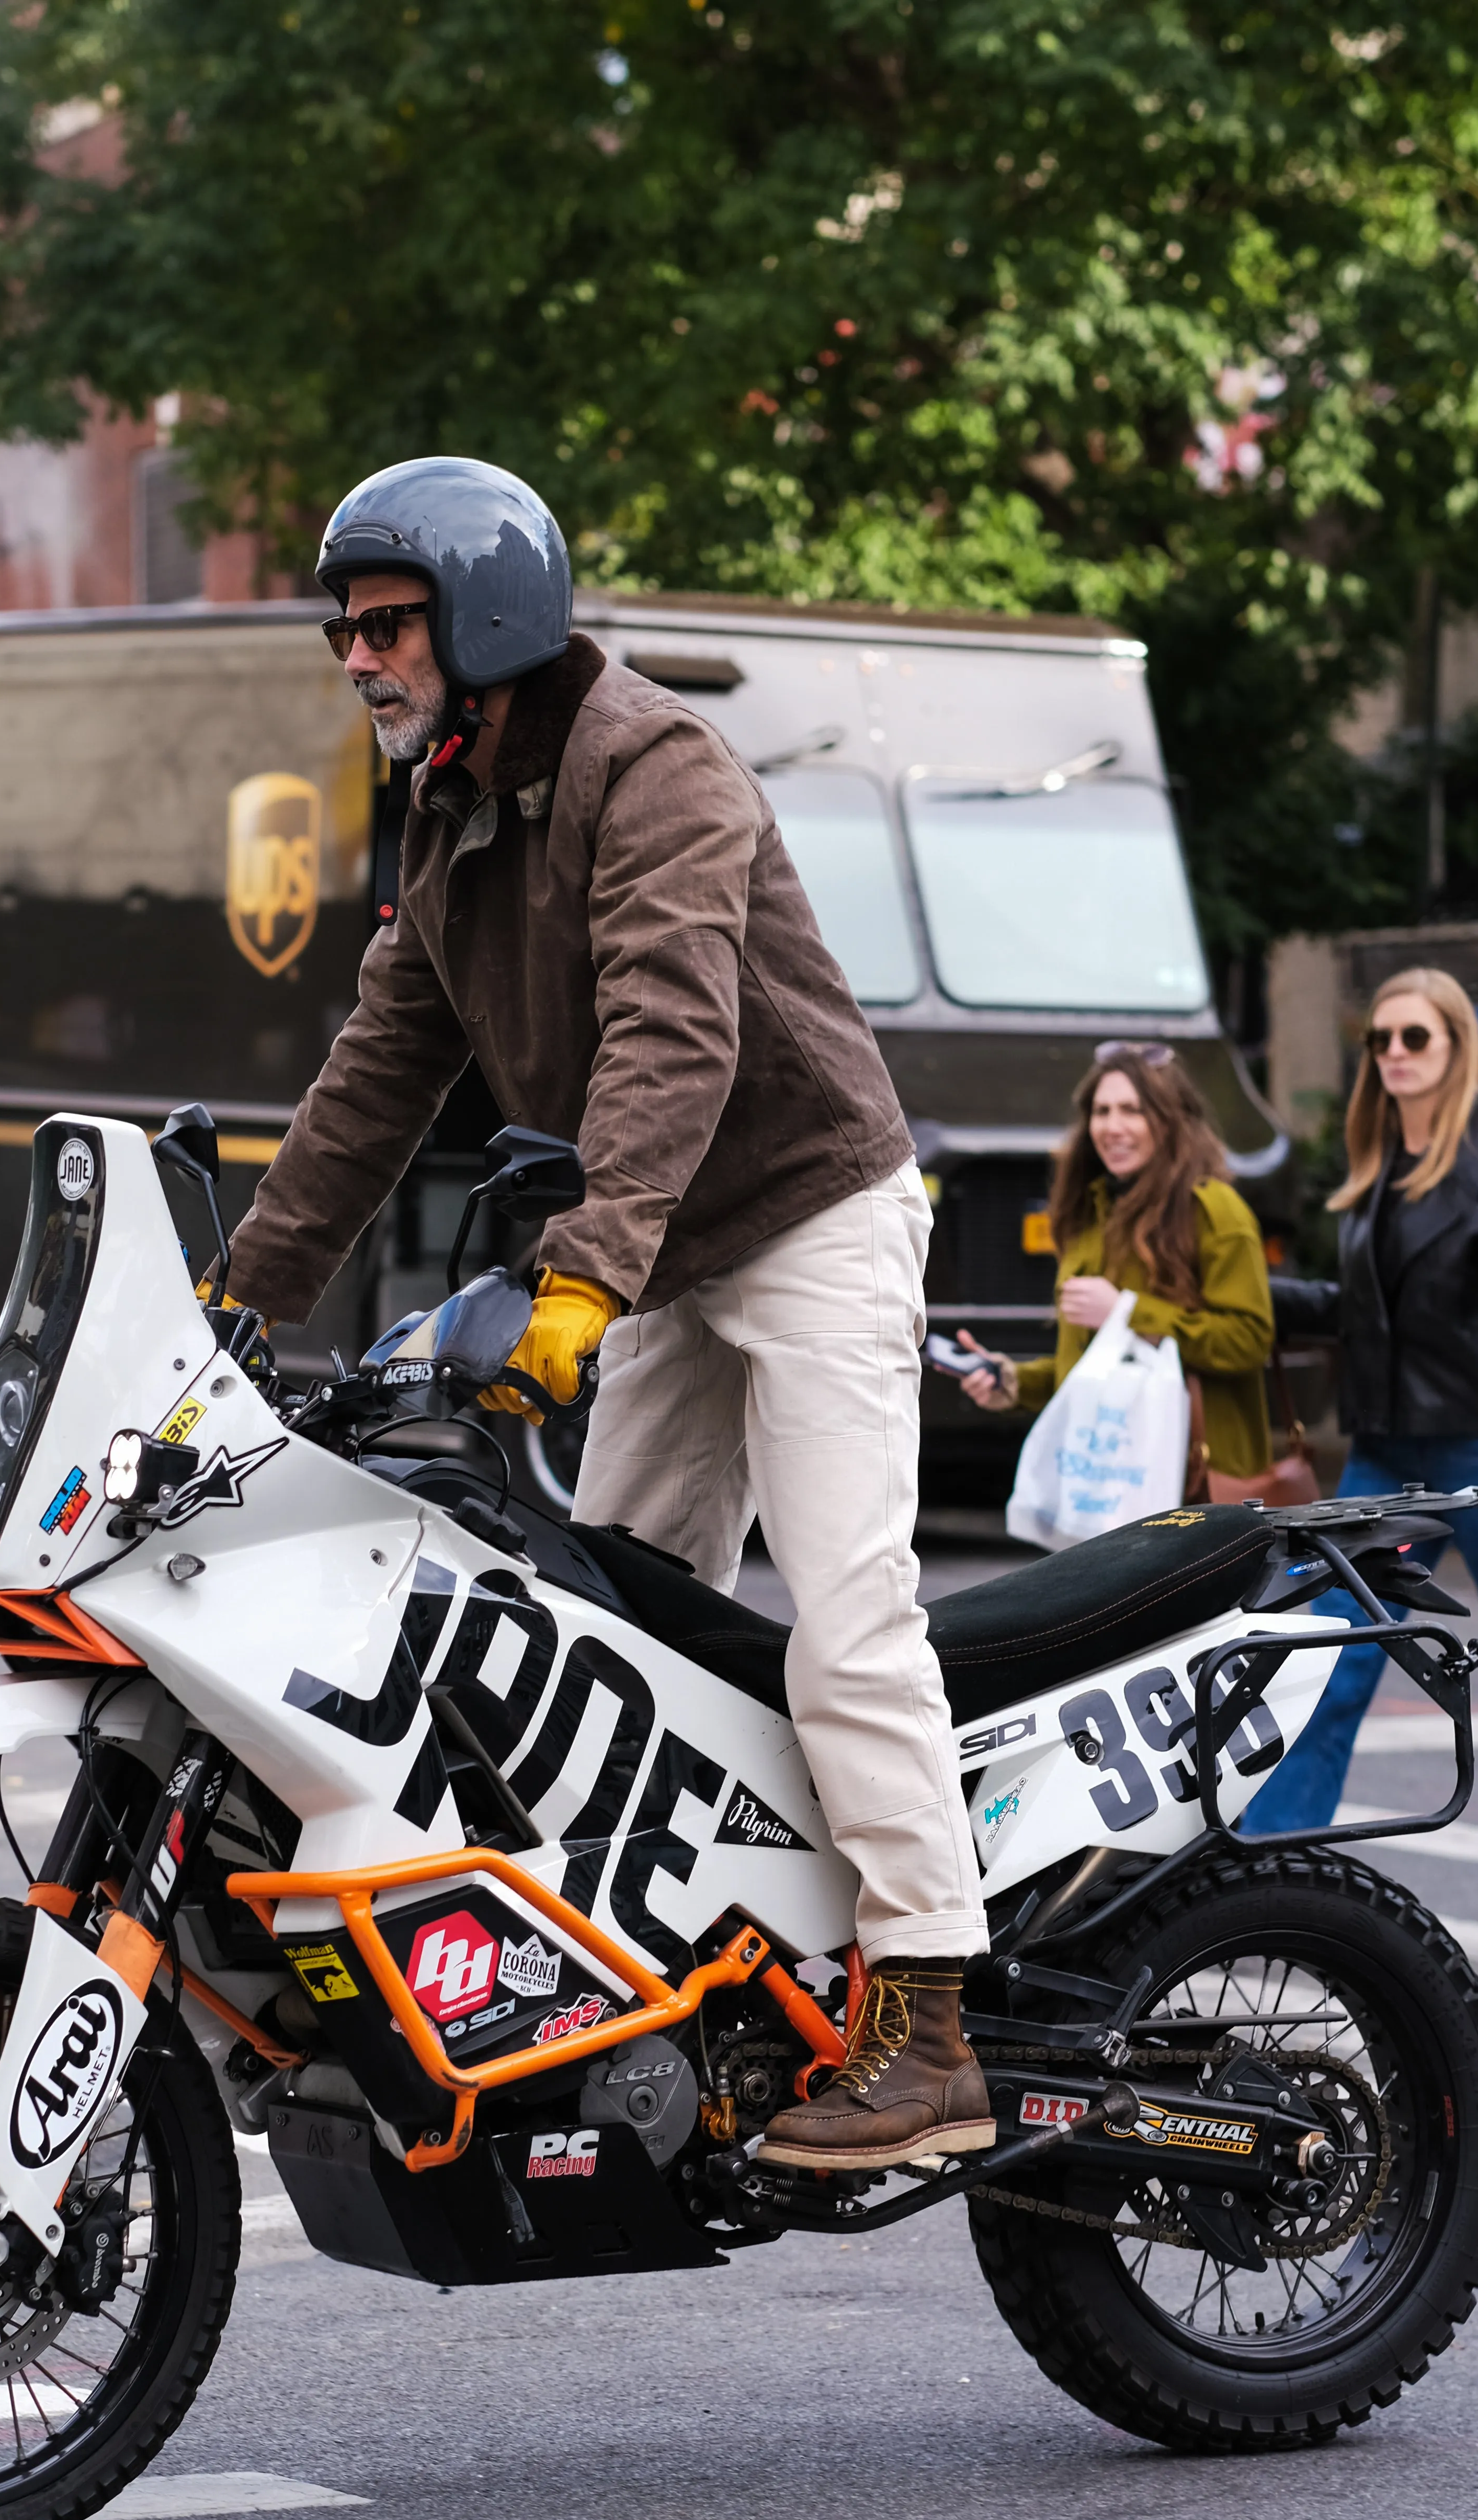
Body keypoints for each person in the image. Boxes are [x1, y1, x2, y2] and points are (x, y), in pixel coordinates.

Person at [221, 453, 993, 2169]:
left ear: (489, 619)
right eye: (345, 631)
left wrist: (578, 1285)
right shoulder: (444, 813)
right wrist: (236, 1303)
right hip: (659, 1253)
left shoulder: (656, 767)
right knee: (611, 1638)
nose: (357, 658)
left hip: (808, 1214)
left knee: (848, 1618)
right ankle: (707, 1978)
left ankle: (928, 2023)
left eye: (388, 625)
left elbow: (671, 1040)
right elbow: (371, 1086)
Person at [1239, 967, 1478, 1952]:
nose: (1393, 1053)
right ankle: (1266, 1880)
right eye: (1381, 1039)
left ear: (1455, 1046)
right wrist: (1258, 1301)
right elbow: (1375, 1313)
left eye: (1414, 1038)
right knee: (1327, 1654)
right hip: (1391, 1456)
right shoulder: (1378, 1161)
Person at [953, 1043, 1277, 1489]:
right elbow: (1092, 1369)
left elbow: (1248, 1341)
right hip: (1110, 1487)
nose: (1113, 1127)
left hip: (1195, 1491)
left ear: (1172, 1119)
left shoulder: (1215, 1210)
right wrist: (1012, 1382)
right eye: (1102, 1111)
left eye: (1133, 1110)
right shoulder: (1089, 1216)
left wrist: (1126, 1312)